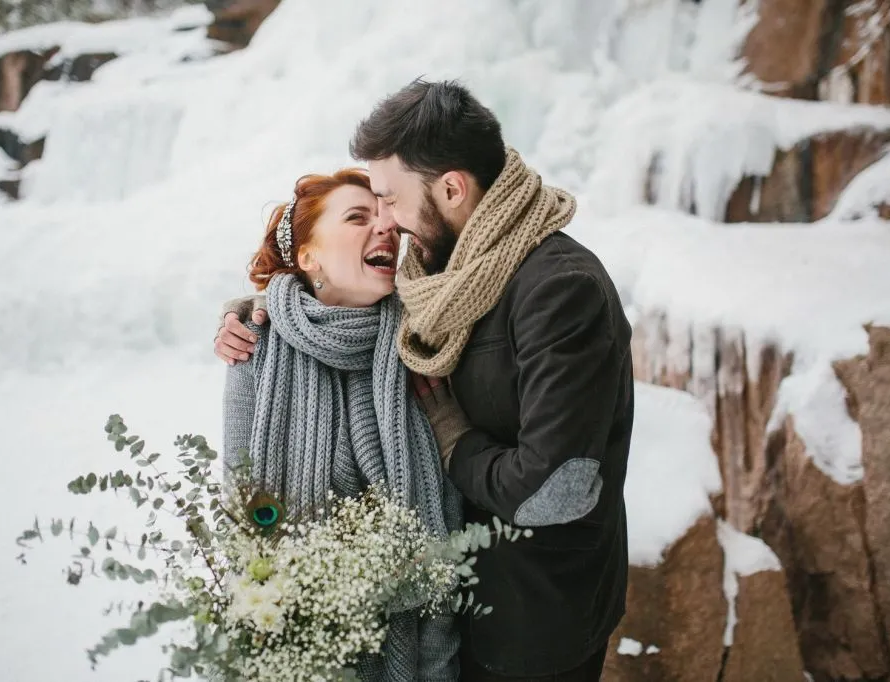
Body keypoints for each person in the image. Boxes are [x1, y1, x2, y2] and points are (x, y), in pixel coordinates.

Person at [216, 79, 634, 682]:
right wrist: (257, 313)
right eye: (365, 210)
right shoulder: (435, 279)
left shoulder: (558, 289)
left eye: (387, 199)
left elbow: (556, 490)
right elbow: (323, 302)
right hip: (438, 620)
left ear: (452, 188)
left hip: (529, 622)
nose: (387, 222)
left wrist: (451, 435)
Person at [221, 168, 462, 682]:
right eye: (358, 218)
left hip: (415, 649)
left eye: (388, 220)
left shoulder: (420, 344)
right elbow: (245, 519)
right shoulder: (255, 348)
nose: (386, 230)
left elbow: (442, 534)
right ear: (308, 257)